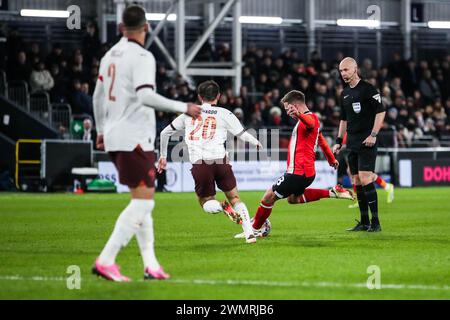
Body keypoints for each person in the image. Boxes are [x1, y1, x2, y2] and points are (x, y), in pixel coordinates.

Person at [91, 5, 201, 282]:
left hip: (116, 136)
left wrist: (102, 130)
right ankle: (106, 260)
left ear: (120, 28)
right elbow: (145, 96)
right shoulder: (142, 56)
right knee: (143, 204)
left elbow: (97, 96)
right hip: (134, 139)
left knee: (143, 202)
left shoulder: (108, 56)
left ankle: (151, 265)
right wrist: (183, 106)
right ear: (147, 27)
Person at [236, 90, 354, 239]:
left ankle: (254, 229)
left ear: (295, 105)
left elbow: (310, 123)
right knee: (293, 199)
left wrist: (298, 115)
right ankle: (332, 192)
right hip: (306, 173)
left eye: (288, 109)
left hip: (298, 172)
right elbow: (322, 141)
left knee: (268, 198)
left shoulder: (310, 118)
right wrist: (331, 159)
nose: (287, 112)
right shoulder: (306, 122)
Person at [157, 80, 263, 244]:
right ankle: (249, 233)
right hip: (221, 162)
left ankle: (221, 207)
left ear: (199, 97)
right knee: (235, 197)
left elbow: (165, 133)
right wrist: (256, 142)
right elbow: (241, 133)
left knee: (205, 201)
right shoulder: (225, 113)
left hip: (201, 164)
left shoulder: (188, 114)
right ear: (218, 96)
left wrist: (163, 156)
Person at [332, 57, 386, 232]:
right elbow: (343, 119)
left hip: (367, 141)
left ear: (355, 69)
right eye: (341, 71)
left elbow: (380, 112)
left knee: (365, 178)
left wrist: (373, 135)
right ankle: (364, 222)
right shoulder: (344, 93)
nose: (343, 74)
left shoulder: (368, 89)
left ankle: (376, 222)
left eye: (346, 70)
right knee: (355, 180)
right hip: (352, 143)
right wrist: (339, 141)